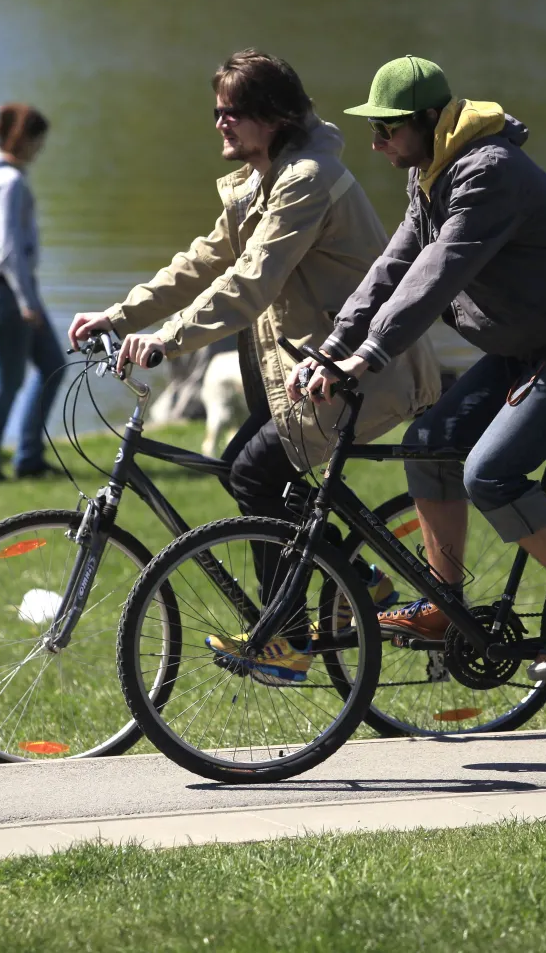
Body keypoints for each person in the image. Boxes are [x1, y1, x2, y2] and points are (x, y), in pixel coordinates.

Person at [68, 49, 442, 683]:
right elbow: (205, 259)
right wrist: (121, 316)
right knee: (246, 466)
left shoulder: (306, 181)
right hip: (307, 378)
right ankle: (360, 584)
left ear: (274, 117)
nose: (220, 122)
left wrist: (167, 340)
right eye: (217, 111)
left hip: (353, 375)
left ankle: (288, 639)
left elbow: (250, 282)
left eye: (234, 112)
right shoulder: (262, 179)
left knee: (252, 472)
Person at [296, 55, 546, 681]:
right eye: (373, 130)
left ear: (432, 120)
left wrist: (371, 354)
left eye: (388, 129)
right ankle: (444, 601)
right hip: (531, 342)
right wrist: (332, 346)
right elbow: (393, 269)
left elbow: (437, 276)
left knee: (490, 473)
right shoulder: (430, 175)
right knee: (430, 445)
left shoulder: (489, 173)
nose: (377, 143)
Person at [0, 103, 64, 482]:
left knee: (53, 366)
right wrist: (27, 304)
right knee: (8, 383)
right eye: (38, 141)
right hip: (9, 292)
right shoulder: (9, 183)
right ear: (24, 139)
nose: (40, 149)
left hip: (11, 289)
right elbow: (9, 250)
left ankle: (29, 456)